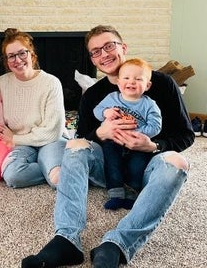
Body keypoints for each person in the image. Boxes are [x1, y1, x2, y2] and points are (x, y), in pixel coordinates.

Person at [22, 25, 193, 268]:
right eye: (95, 51)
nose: (104, 54)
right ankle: (66, 239)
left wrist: (153, 145)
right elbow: (83, 137)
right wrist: (99, 132)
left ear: (123, 48)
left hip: (146, 168)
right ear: (92, 59)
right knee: (74, 145)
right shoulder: (94, 95)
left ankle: (117, 244)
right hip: (107, 169)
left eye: (109, 46)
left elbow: (186, 135)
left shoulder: (161, 84)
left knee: (178, 163)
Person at [0, 28, 68, 188]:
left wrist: (13, 139)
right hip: (22, 145)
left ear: (32, 54)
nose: (18, 60)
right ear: (7, 61)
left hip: (51, 141)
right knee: (13, 176)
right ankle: (48, 164)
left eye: (22, 53)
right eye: (11, 56)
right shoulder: (0, 83)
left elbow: (52, 131)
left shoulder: (51, 82)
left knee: (58, 179)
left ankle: (52, 164)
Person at [93, 58, 161, 210]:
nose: (131, 82)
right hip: (113, 141)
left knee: (137, 166)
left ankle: (133, 193)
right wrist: (105, 112)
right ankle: (116, 193)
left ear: (147, 85)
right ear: (118, 82)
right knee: (112, 163)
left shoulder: (149, 104)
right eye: (126, 78)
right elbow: (96, 111)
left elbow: (156, 126)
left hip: (137, 144)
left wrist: (136, 134)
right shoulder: (112, 98)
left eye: (138, 79)